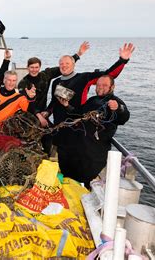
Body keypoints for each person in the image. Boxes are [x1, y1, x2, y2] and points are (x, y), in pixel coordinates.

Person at [40, 43, 135, 180]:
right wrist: (47, 113)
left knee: (79, 161)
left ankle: (78, 182)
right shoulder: (56, 82)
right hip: (61, 127)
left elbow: (108, 75)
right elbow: (54, 103)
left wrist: (122, 60)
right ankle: (67, 181)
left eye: (67, 63)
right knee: (63, 159)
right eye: (61, 63)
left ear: (73, 65)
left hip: (78, 129)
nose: (64, 65)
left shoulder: (83, 78)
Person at [58, 75, 130, 186]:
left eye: (105, 85)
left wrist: (119, 108)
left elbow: (124, 117)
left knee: (84, 178)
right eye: (98, 85)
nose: (100, 87)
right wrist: (67, 105)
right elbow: (79, 113)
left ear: (112, 87)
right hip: (77, 147)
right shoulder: (92, 100)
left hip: (94, 152)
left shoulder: (115, 102)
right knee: (68, 172)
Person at [18, 41, 90, 127]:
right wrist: (38, 116)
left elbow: (64, 67)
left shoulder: (45, 75)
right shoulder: (23, 84)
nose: (34, 70)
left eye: (36, 67)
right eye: (32, 67)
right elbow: (26, 103)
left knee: (51, 133)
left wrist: (78, 54)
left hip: (43, 112)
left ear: (40, 67)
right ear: (27, 68)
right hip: (29, 113)